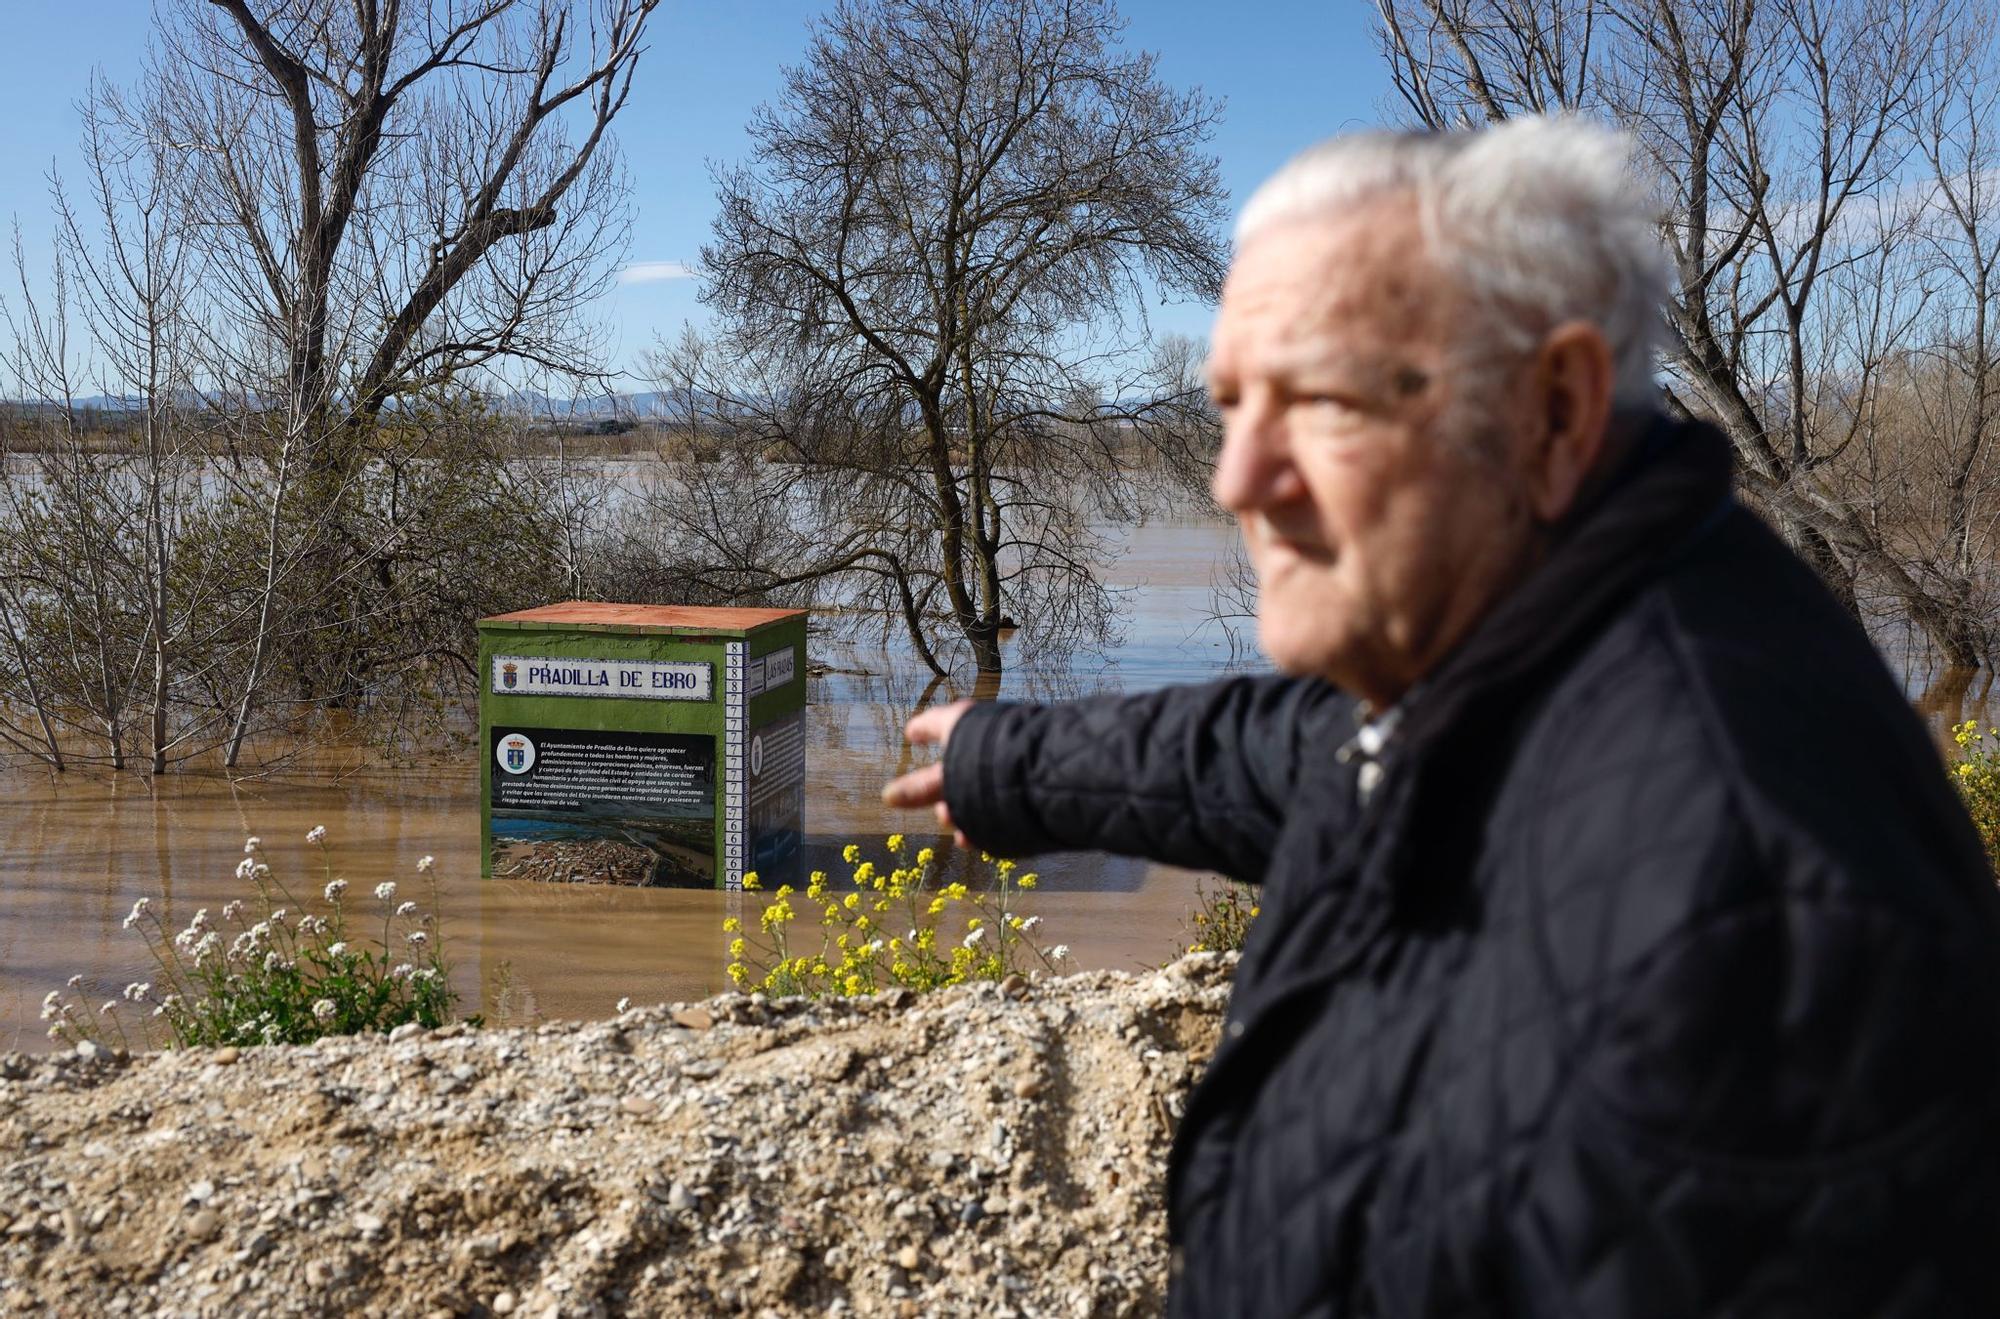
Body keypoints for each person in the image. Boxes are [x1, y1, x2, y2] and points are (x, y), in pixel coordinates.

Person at [882, 117, 2000, 1317]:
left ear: (1552, 411)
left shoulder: (1750, 947)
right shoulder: (1521, 656)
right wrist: (1012, 759)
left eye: (1317, 401)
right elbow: (1282, 752)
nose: (1235, 480)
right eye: (1231, 406)